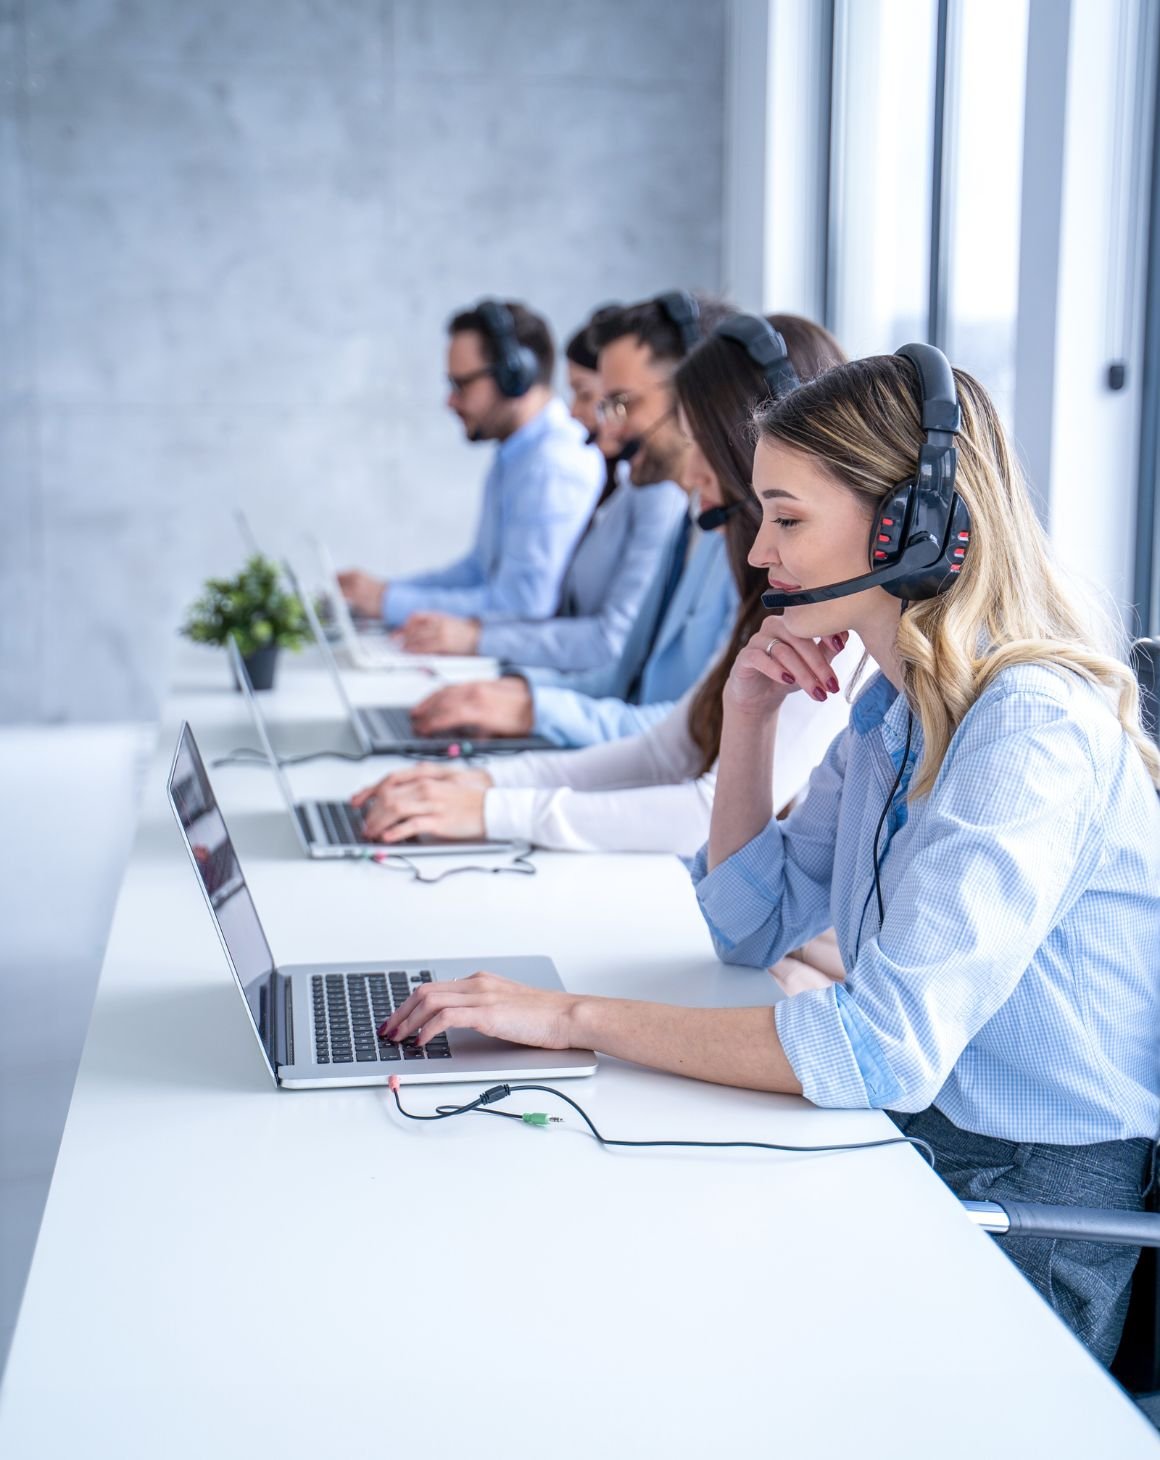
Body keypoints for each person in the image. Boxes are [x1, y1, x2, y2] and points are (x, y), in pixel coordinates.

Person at [378, 348, 1160, 1366]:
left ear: (906, 531)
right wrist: (744, 720)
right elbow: (746, 924)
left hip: (1027, 1206)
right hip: (920, 1141)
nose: (757, 554)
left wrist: (571, 1018)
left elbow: (877, 1046)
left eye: (786, 519)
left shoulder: (1028, 732)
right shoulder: (894, 707)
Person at [353, 313, 853, 862]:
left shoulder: (830, 622)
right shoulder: (757, 575)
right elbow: (668, 750)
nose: (688, 474)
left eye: (697, 441)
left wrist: (498, 805)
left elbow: (701, 810)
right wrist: (487, 784)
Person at [402, 291, 739, 748]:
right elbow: (622, 678)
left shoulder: (744, 547)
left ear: (695, 399)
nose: (604, 427)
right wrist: (519, 693)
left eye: (620, 403)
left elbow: (695, 734)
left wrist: (529, 709)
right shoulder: (691, 521)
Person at [396, 306, 687, 678]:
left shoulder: (648, 490)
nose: (576, 413)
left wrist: (479, 643)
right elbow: (481, 569)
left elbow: (607, 641)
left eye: (592, 396)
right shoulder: (625, 485)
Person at [338, 299, 603, 628]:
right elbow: (479, 571)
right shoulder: (516, 453)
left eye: (461, 385)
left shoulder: (552, 465)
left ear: (514, 375)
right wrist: (384, 593)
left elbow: (523, 604)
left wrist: (388, 602)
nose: (450, 401)